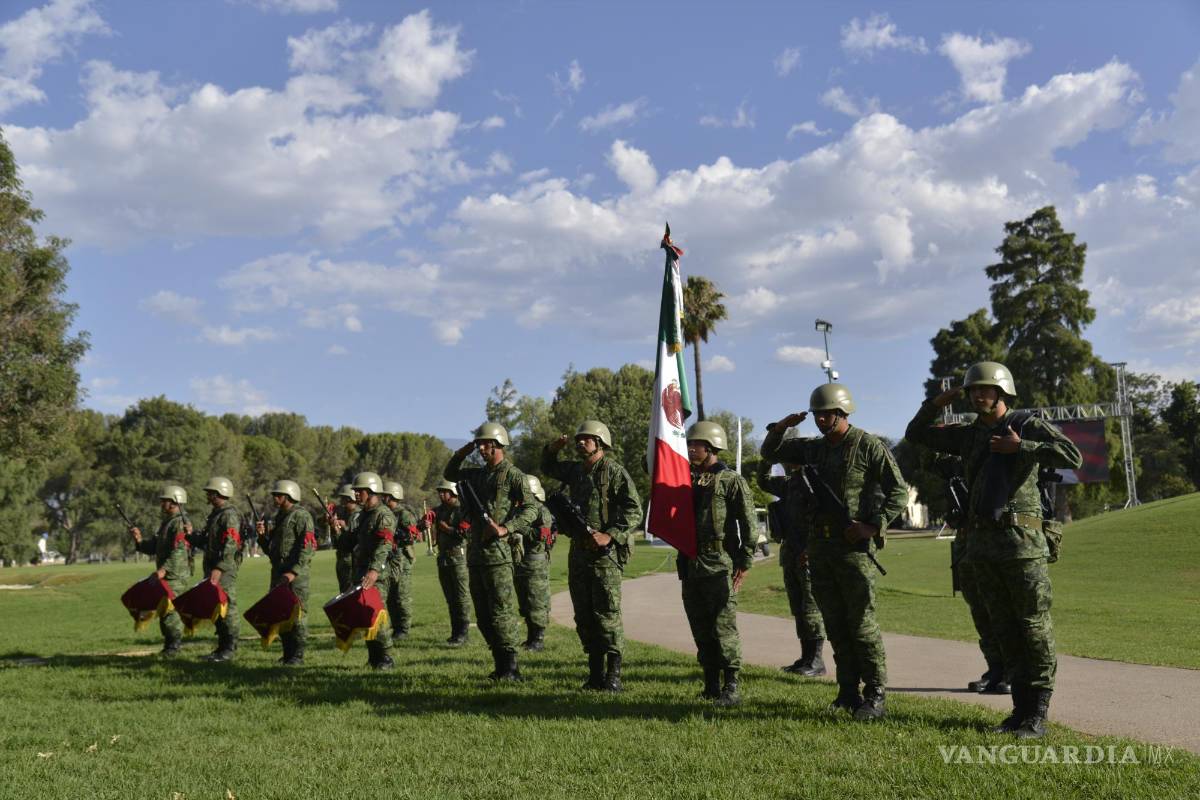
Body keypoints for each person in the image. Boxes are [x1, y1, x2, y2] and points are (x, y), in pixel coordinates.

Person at [905, 361, 1082, 738]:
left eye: (986, 390)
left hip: (1022, 546)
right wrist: (938, 402)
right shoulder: (968, 436)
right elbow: (916, 434)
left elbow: (1073, 458)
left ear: (1002, 392)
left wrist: (1024, 448)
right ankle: (1019, 711)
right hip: (982, 546)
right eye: (973, 391)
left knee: (1033, 627)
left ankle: (1038, 712)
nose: (978, 396)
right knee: (1003, 629)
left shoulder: (1025, 424)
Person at [761, 384, 909, 721]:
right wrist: (782, 425)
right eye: (817, 414)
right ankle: (847, 691)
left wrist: (874, 525)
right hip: (820, 547)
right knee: (835, 624)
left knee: (861, 625)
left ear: (843, 413)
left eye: (827, 413)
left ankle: (875, 693)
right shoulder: (812, 450)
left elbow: (898, 491)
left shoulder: (868, 446)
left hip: (853, 548)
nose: (821, 419)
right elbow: (771, 452)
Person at [540, 420, 642, 692]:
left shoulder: (614, 472)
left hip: (605, 555)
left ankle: (613, 676)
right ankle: (595, 674)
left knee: (607, 614)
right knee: (584, 616)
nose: (580, 442)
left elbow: (635, 510)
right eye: (578, 439)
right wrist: (552, 449)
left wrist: (611, 535)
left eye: (586, 438)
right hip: (579, 552)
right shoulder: (575, 471)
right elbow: (547, 468)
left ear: (600, 442)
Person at [444, 422, 538, 681]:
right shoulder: (476, 474)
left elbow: (531, 510)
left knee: (502, 613)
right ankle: (499, 664)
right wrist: (463, 451)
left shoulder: (513, 475)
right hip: (476, 555)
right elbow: (451, 473)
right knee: (484, 616)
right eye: (480, 444)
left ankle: (511, 668)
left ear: (498, 445)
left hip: (499, 556)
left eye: (485, 444)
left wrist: (506, 528)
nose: (482, 448)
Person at [680, 420, 756, 706]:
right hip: (690, 562)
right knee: (700, 627)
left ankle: (731, 685)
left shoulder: (730, 480)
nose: (689, 449)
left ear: (710, 446)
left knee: (723, 627)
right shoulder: (684, 478)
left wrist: (745, 561)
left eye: (694, 444)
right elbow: (651, 464)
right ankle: (711, 683)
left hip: (719, 563)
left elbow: (749, 524)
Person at [936, 454, 1010, 695]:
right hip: (967, 547)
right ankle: (995, 669)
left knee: (1001, 612)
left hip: (993, 546)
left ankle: (1012, 671)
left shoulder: (995, 463)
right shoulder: (957, 473)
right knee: (980, 612)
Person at [755, 457, 826, 677]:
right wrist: (768, 458)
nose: (787, 461)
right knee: (797, 607)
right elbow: (763, 479)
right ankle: (805, 657)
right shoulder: (787, 483)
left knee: (811, 608)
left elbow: (822, 517)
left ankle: (816, 660)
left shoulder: (815, 482)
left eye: (791, 455)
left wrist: (811, 548)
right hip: (790, 552)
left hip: (809, 553)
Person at [129, 485, 191, 657]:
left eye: (164, 500)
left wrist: (164, 570)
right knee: (164, 611)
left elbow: (179, 550)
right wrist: (139, 540)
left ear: (173, 502)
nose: (161, 503)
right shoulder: (168, 522)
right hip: (167, 574)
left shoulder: (179, 523)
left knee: (171, 611)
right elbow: (154, 547)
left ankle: (174, 646)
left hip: (175, 575)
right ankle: (169, 645)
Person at [260, 479, 317, 666]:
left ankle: (297, 656)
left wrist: (293, 572)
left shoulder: (302, 516)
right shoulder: (280, 517)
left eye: (279, 495)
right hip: (279, 574)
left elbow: (307, 548)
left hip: (296, 577)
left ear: (290, 496)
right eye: (275, 495)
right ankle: (287, 653)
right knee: (282, 614)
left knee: (298, 615)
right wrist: (262, 538)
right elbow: (272, 550)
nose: (275, 498)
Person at [350, 471, 398, 670]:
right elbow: (351, 543)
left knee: (377, 615)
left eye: (359, 491)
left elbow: (385, 545)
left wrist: (374, 570)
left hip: (375, 574)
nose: (356, 495)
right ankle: (374, 656)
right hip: (362, 572)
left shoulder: (383, 515)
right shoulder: (363, 516)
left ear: (370, 491)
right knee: (365, 617)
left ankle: (386, 657)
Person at [198, 476, 243, 662]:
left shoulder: (229, 515)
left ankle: (229, 647)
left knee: (227, 607)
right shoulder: (216, 514)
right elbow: (206, 543)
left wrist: (219, 568)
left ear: (218, 494)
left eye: (210, 493)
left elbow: (231, 544)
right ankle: (222, 646)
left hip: (223, 569)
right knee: (216, 606)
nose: (207, 495)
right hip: (213, 568)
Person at [511, 474, 553, 653]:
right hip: (519, 562)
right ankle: (530, 637)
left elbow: (542, 535)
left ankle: (538, 639)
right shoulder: (517, 511)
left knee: (536, 602)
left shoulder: (541, 511)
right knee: (525, 602)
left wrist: (519, 528)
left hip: (535, 563)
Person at [430, 480, 472, 645]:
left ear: (452, 492)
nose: (441, 494)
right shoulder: (439, 510)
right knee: (450, 598)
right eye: (439, 491)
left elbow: (464, 533)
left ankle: (463, 631)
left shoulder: (461, 509)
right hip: (443, 559)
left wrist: (446, 528)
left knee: (461, 597)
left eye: (444, 491)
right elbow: (427, 518)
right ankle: (455, 631)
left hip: (458, 559)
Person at [382, 480, 419, 640]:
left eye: (386, 496)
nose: (384, 499)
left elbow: (412, 536)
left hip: (402, 559)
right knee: (391, 596)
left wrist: (395, 537)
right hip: (389, 560)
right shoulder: (385, 513)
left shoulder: (404, 514)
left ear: (393, 496)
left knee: (401, 596)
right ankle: (396, 627)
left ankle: (403, 629)